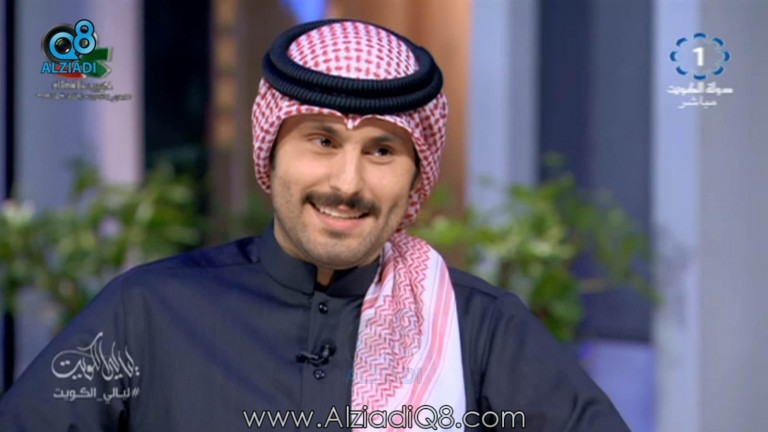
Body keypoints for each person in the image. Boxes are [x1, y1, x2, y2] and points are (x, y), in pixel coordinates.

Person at [0, 19, 629, 431]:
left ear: (416, 177)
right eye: (322, 141)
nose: (347, 184)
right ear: (270, 153)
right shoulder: (148, 312)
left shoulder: (480, 331)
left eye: (381, 150)